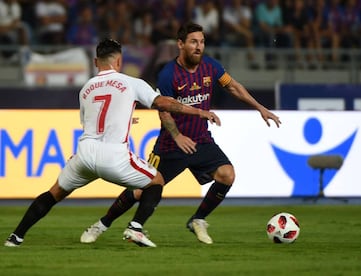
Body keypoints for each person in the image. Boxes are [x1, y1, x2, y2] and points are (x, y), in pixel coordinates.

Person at [4, 38, 221, 248]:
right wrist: (199, 111)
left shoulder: (86, 89)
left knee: (54, 193)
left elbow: (91, 123)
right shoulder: (131, 82)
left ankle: (15, 237)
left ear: (95, 62)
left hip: (85, 155)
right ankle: (135, 227)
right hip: (114, 156)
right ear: (119, 61)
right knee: (156, 181)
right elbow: (163, 103)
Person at [79, 22, 281, 246]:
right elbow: (162, 108)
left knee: (227, 175)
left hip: (201, 141)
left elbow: (233, 86)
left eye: (202, 42)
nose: (199, 47)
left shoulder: (211, 67)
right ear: (180, 44)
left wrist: (259, 107)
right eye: (194, 42)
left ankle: (198, 219)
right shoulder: (168, 74)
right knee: (139, 191)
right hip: (170, 145)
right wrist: (177, 136)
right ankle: (102, 224)